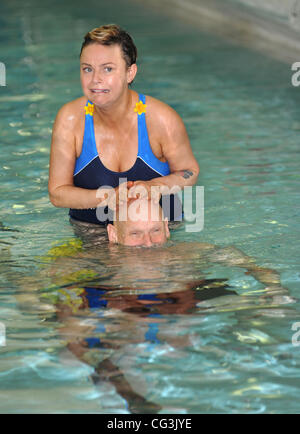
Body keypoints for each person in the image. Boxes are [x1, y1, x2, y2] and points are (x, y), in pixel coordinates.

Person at [48, 24, 200, 226]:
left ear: (130, 73)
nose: (95, 80)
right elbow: (57, 194)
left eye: (108, 69)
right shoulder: (70, 119)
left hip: (160, 235)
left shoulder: (161, 119)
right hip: (93, 235)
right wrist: (109, 197)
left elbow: (189, 172)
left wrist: (154, 187)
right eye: (87, 69)